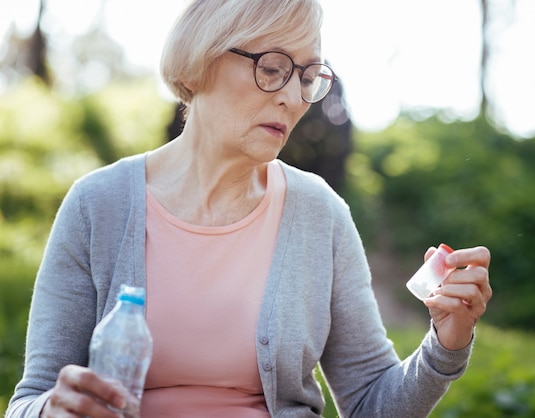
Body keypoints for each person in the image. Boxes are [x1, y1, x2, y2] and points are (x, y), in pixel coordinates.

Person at [6, 0, 492, 417]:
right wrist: (54, 408)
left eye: (306, 76)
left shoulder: (319, 214)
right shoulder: (98, 205)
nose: (292, 98)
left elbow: (370, 402)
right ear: (202, 58)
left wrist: (445, 344)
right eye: (272, 68)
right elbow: (29, 400)